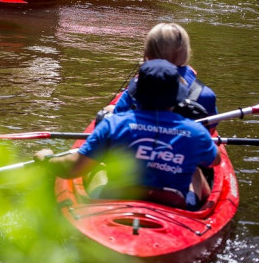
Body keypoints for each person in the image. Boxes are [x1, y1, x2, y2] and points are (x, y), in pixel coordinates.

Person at [35, 59, 221, 210]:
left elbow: (72, 169)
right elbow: (215, 161)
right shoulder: (195, 132)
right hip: (172, 205)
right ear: (178, 98)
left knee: (99, 164)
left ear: (137, 95)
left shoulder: (113, 124)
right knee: (196, 169)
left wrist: (46, 160)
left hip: (116, 199)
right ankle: (204, 210)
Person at [105, 23, 218, 121]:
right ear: (186, 52)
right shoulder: (205, 94)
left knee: (108, 110)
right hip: (184, 142)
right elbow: (211, 127)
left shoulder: (138, 86)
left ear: (148, 53)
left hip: (140, 139)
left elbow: (117, 115)